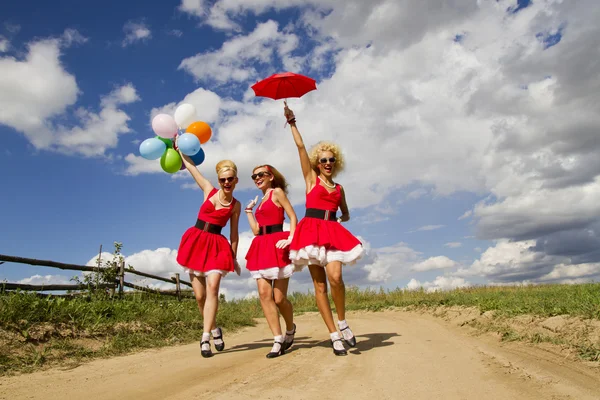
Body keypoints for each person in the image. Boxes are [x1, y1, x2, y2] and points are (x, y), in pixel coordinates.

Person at [284, 102, 364, 356]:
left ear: (335, 162)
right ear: (317, 163)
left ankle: (342, 322)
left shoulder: (339, 189)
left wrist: (340, 220)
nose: (328, 163)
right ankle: (333, 334)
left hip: (331, 231)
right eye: (323, 160)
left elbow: (346, 213)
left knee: (336, 278)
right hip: (310, 233)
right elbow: (299, 147)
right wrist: (292, 122)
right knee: (320, 287)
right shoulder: (311, 179)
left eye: (331, 160)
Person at [176, 149, 242, 358]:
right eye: (223, 179)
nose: (226, 182)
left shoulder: (235, 205)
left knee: (213, 288)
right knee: (199, 296)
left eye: (230, 179)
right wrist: (179, 148)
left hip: (216, 246)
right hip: (196, 241)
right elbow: (191, 168)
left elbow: (234, 235)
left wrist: (234, 257)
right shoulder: (208, 190)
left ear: (236, 180)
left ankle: (205, 338)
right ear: (219, 180)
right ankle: (215, 329)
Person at [244, 164, 298, 358]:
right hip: (261, 245)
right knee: (263, 293)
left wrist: (291, 238)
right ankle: (277, 339)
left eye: (260, 174)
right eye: (253, 176)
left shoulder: (277, 192)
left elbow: (292, 216)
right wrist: (249, 211)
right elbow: (257, 230)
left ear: (271, 176)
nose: (257, 178)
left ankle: (290, 329)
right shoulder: (261, 201)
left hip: (278, 244)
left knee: (279, 298)